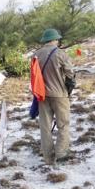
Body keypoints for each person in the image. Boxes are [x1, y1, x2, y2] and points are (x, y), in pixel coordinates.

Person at [34, 29, 75, 164]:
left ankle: (47, 156)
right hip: (59, 95)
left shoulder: (36, 55)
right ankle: (61, 153)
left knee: (45, 126)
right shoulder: (60, 53)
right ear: (55, 40)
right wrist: (69, 88)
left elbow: (34, 76)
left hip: (42, 95)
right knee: (63, 125)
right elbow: (70, 74)